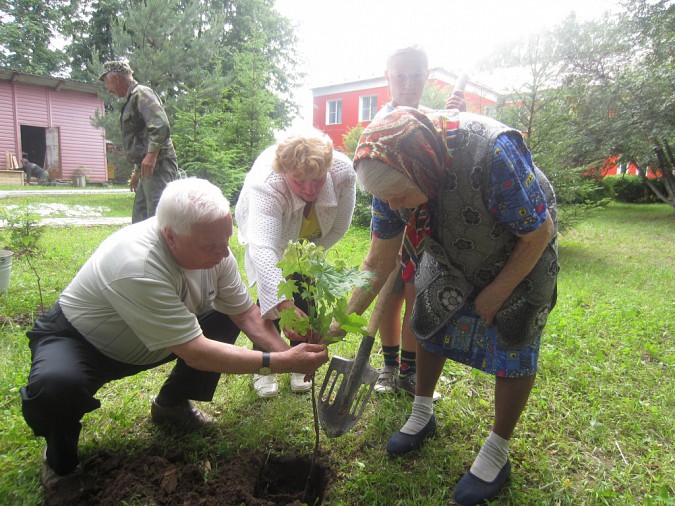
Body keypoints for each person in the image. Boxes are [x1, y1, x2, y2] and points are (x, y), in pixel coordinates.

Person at [19, 178, 329, 487]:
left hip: (153, 340)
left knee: (223, 316)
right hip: (83, 342)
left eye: (226, 240)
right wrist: (280, 363)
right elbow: (196, 352)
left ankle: (171, 405)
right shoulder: (137, 263)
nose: (224, 253)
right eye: (211, 246)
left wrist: (286, 352)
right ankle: (59, 463)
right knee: (56, 387)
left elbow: (247, 314)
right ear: (171, 236)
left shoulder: (213, 247)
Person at [348, 108, 558, 505]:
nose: (393, 208)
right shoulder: (389, 168)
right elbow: (377, 262)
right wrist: (341, 322)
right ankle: (422, 413)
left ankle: (497, 452)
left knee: (515, 335)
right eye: (384, 199)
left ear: (423, 171)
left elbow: (539, 232)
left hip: (521, 250)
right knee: (426, 317)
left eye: (399, 197)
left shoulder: (494, 153)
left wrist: (498, 290)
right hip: (451, 248)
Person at [369, 46, 464, 399]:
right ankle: (389, 367)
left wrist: (454, 123)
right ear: (388, 78)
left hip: (423, 223)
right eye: (400, 77)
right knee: (388, 293)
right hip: (389, 219)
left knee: (415, 292)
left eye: (415, 77)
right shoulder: (381, 121)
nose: (408, 84)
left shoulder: (432, 116)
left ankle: (409, 371)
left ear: (426, 77)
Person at [235, 130, 356, 398]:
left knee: (306, 290)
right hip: (270, 236)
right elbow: (263, 246)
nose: (311, 189)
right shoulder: (267, 183)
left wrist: (305, 259)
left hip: (311, 238)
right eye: (300, 181)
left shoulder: (343, 172)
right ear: (284, 171)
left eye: (318, 179)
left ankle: (300, 361)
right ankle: (264, 365)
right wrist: (283, 301)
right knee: (272, 298)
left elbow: (338, 228)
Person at [99, 61, 179, 223]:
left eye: (108, 84)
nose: (109, 90)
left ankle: (163, 249)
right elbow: (141, 138)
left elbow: (160, 125)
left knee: (158, 220)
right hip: (148, 168)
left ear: (116, 79)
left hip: (159, 165)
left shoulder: (142, 93)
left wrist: (151, 156)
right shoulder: (132, 99)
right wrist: (137, 171)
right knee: (140, 220)